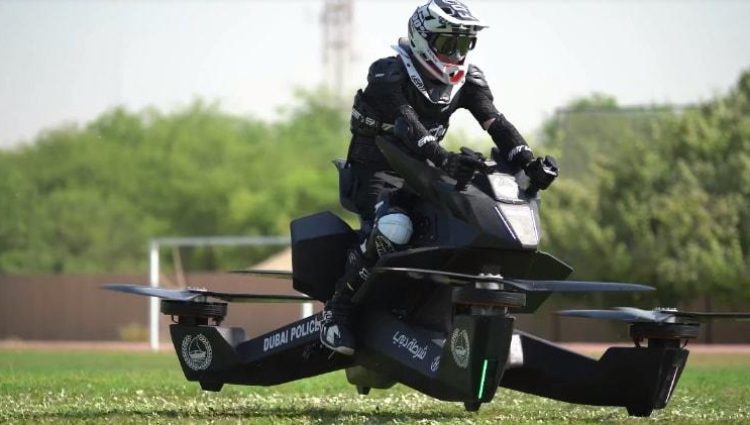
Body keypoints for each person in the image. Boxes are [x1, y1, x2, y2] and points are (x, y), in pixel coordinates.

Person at [320, 0, 557, 355]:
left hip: (422, 170)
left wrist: (528, 161)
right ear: (422, 39)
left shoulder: (470, 80)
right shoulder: (388, 74)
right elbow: (407, 124)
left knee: (472, 223)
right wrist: (445, 161)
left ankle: (465, 318)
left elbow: (496, 123)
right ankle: (335, 313)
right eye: (449, 44)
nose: (456, 54)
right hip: (375, 173)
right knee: (395, 227)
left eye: (464, 45)